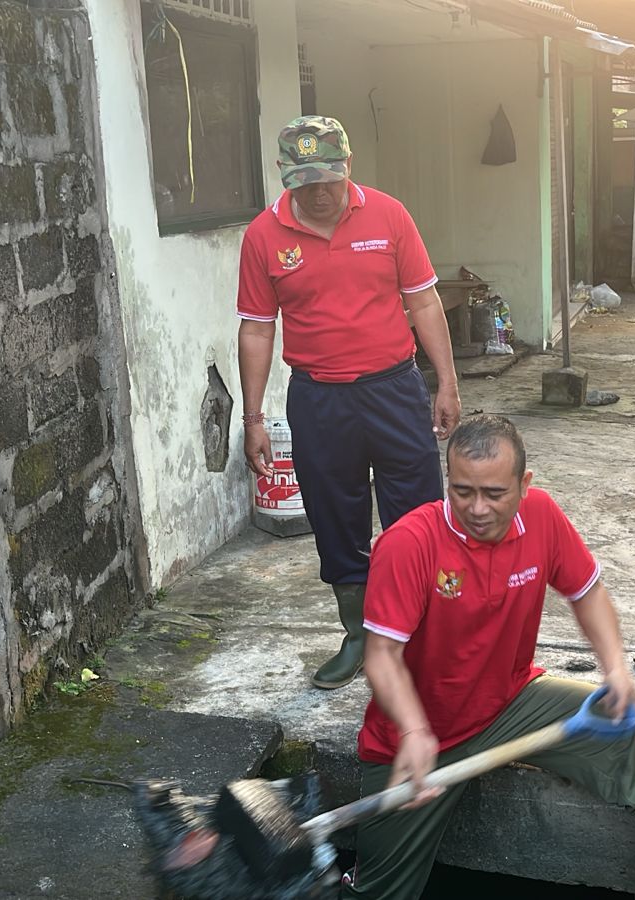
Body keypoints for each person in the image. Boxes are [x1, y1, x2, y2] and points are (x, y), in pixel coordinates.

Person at [347, 415, 635, 900]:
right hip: (415, 742)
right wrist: (411, 730)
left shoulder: (541, 515)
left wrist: (616, 670)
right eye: (462, 491)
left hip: (510, 703)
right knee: (381, 892)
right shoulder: (410, 543)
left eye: (494, 493)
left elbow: (588, 591)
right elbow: (382, 655)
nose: (477, 508)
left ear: (524, 483)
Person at [237, 116, 461, 690]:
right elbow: (258, 329)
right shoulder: (264, 236)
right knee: (335, 515)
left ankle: (417, 631)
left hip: (393, 388)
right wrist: (254, 416)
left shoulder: (389, 216)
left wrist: (447, 384)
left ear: (347, 167)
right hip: (317, 397)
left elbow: (425, 303)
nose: (317, 192)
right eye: (303, 181)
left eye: (327, 178)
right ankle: (358, 633)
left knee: (415, 508)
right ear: (286, 177)